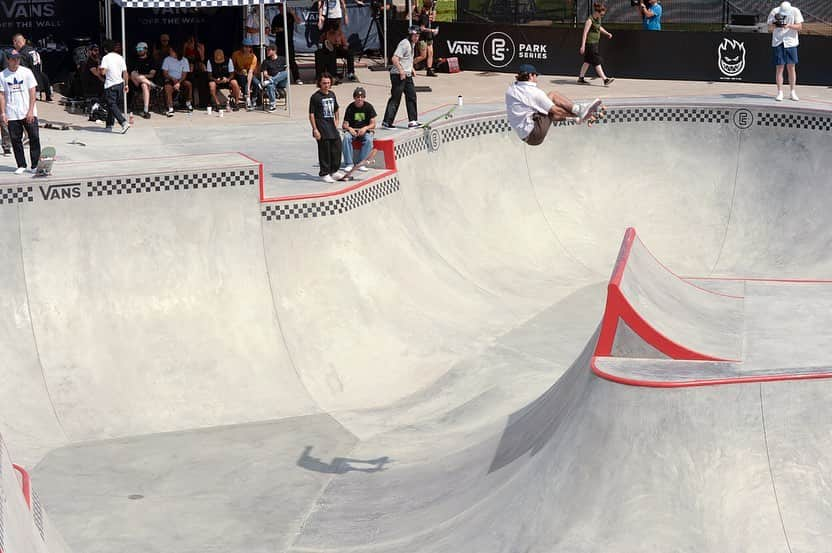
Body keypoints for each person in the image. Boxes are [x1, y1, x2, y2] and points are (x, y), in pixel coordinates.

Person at [505, 64, 600, 146]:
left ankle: (578, 116)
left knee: (545, 111)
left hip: (526, 136)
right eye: (535, 76)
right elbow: (557, 111)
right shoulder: (534, 93)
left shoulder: (511, 89)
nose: (537, 79)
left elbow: (549, 114)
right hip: (535, 133)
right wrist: (580, 114)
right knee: (553, 95)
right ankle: (579, 110)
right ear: (530, 75)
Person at [0, 51, 41, 173]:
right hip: (12, 112)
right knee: (15, 139)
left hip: (28, 111)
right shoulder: (2, 75)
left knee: (34, 137)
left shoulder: (26, 72)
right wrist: (3, 113)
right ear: (8, 60)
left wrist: (30, 111)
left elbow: (32, 91)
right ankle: (21, 164)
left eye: (17, 58)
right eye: (13, 59)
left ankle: (35, 165)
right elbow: (1, 95)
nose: (16, 61)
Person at [382, 26, 421, 129]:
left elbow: (407, 59)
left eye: (418, 36)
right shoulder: (404, 44)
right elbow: (394, 59)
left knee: (411, 96)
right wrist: (401, 71)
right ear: (411, 35)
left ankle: (412, 121)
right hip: (398, 75)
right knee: (396, 98)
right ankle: (387, 122)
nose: (417, 38)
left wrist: (411, 68)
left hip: (406, 75)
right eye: (415, 36)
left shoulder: (412, 44)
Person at [309, 72, 342, 183]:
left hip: (331, 126)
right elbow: (311, 114)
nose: (326, 85)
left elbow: (336, 108)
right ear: (320, 83)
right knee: (325, 151)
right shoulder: (315, 97)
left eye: (328, 83)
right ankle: (324, 173)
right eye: (324, 83)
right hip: (321, 127)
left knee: (337, 147)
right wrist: (315, 129)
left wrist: (337, 120)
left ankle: (334, 171)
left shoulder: (332, 94)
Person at [767, 1, 803, 101]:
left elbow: (800, 27)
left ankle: (792, 91)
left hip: (791, 42)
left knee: (791, 67)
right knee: (779, 68)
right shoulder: (775, 11)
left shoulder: (795, 11)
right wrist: (776, 24)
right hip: (778, 41)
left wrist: (789, 25)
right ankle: (780, 92)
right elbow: (769, 26)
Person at [578, 2, 614, 86]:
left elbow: (599, 27)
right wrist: (583, 46)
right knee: (596, 61)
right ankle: (605, 79)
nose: (602, 16)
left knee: (587, 61)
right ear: (597, 12)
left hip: (595, 43)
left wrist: (607, 33)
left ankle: (581, 78)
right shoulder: (589, 20)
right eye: (601, 14)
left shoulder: (598, 19)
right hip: (590, 44)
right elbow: (585, 33)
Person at [341, 86, 376, 172]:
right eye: (358, 97)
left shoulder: (369, 107)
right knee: (346, 137)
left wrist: (365, 128)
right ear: (354, 98)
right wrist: (349, 128)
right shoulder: (350, 107)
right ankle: (349, 163)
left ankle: (361, 163)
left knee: (368, 139)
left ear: (364, 97)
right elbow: (345, 124)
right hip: (353, 131)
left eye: (362, 97)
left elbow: (373, 124)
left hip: (364, 131)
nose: (360, 99)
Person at [98, 40, 130, 133]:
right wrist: (126, 84)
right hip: (120, 84)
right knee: (112, 105)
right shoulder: (120, 57)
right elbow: (125, 72)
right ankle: (109, 124)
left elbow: (103, 72)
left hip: (110, 85)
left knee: (112, 105)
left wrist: (100, 68)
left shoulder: (105, 58)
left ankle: (123, 122)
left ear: (105, 49)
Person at [12, 33, 51, 101]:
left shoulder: (22, 54)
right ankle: (48, 95)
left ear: (16, 42)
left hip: (30, 83)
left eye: (14, 43)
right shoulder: (32, 50)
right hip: (39, 77)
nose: (13, 45)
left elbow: (22, 70)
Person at [271, 3, 303, 84]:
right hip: (280, 43)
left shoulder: (290, 16)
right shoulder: (276, 18)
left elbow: (299, 21)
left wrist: (292, 13)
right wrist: (279, 29)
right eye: (280, 7)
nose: (282, 9)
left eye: (283, 7)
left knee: (291, 60)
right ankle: (280, 78)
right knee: (280, 60)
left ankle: (297, 78)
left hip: (289, 42)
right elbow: (273, 30)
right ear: (279, 8)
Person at [162, 45, 193, 117]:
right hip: (170, 79)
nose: (169, 52)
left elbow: (184, 74)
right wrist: (173, 79)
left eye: (171, 50)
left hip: (181, 80)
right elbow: (165, 73)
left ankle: (188, 103)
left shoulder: (184, 60)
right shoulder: (167, 59)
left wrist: (178, 82)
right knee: (167, 87)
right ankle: (170, 108)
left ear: (176, 52)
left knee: (188, 84)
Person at [130, 42, 158, 119]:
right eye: (137, 49)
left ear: (146, 49)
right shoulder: (134, 60)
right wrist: (139, 77)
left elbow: (152, 75)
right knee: (133, 73)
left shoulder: (151, 60)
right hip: (136, 82)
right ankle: (155, 86)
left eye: (140, 49)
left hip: (147, 83)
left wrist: (142, 76)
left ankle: (145, 110)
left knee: (144, 85)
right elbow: (132, 74)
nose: (138, 50)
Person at [231, 40, 261, 110]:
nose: (247, 48)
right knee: (243, 79)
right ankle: (247, 98)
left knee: (257, 83)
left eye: (249, 47)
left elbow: (250, 72)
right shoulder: (236, 54)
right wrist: (238, 72)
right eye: (246, 47)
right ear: (242, 47)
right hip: (238, 74)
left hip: (249, 74)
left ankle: (253, 98)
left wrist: (248, 86)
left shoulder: (253, 57)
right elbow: (231, 68)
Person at [413, 0, 439, 76]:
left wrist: (435, 7)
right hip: (422, 38)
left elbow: (433, 19)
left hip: (429, 37)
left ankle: (429, 70)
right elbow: (422, 28)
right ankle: (409, 64)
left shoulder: (428, 14)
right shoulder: (424, 16)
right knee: (423, 56)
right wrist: (432, 30)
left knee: (430, 53)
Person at [261, 44, 288, 111]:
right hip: (272, 80)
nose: (267, 52)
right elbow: (265, 73)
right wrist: (268, 77)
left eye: (269, 50)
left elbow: (286, 70)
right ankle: (272, 104)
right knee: (270, 86)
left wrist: (277, 76)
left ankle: (270, 81)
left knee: (286, 73)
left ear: (274, 51)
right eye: (267, 50)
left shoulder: (282, 59)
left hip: (281, 81)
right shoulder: (266, 61)